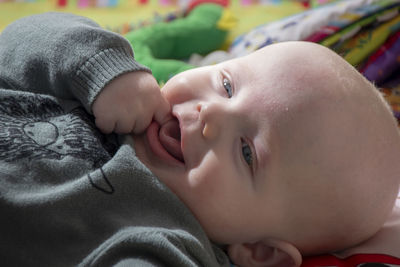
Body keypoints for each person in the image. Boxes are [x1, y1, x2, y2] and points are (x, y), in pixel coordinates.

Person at [0, 11, 399, 267]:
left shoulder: (169, 241)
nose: (211, 115)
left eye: (246, 152)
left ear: (260, 252)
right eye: (226, 85)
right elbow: (17, 42)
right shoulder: (113, 88)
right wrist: (101, 67)